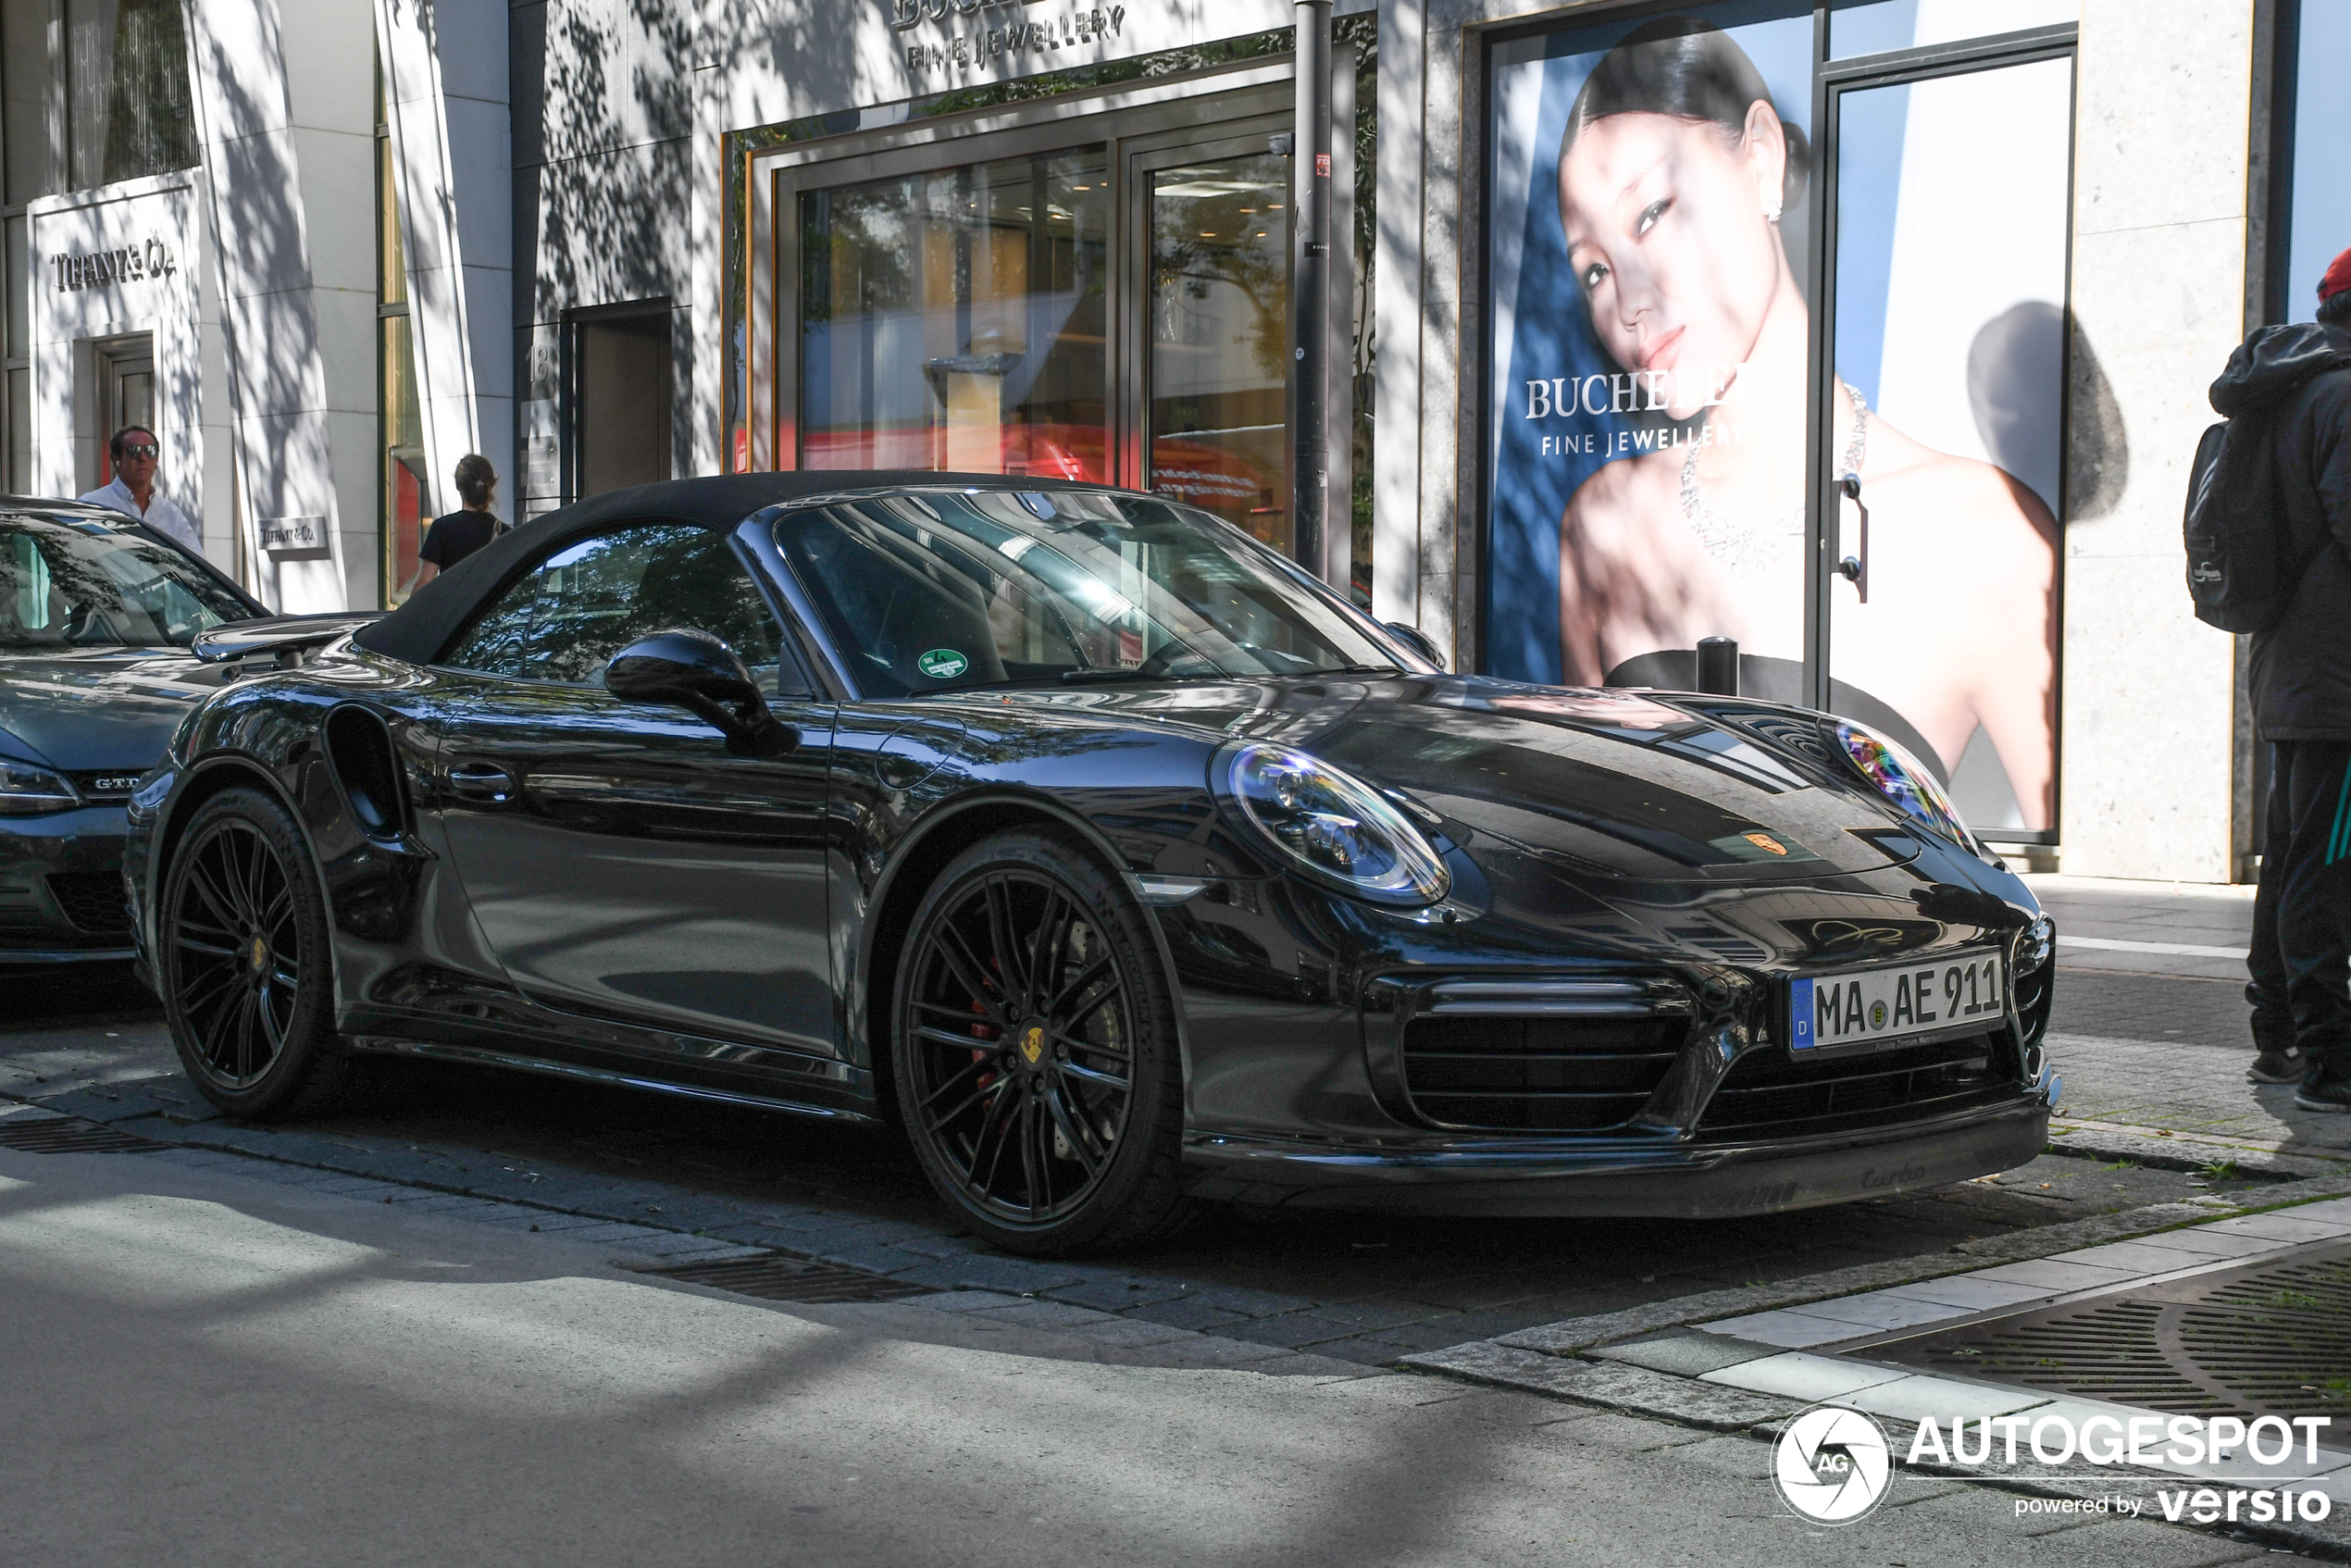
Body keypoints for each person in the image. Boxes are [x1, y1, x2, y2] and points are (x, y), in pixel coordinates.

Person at [1549, 16, 2059, 828]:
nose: (1629, 301)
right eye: (1595, 270)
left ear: (1761, 160)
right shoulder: (1604, 524)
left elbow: (2061, 890)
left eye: (1651, 214)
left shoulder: (1984, 535)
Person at [2235, 248, 2351, 1112]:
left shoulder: (2283, 391)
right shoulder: (2345, 397)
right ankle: (2331, 1062)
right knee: (2324, 865)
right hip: (2338, 679)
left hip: (2288, 669)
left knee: (2291, 859)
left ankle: (2275, 1033)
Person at [79, 424, 201, 554]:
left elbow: (197, 563)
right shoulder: (91, 506)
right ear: (116, 459)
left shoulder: (172, 515)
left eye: (150, 451)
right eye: (134, 451)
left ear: (156, 460)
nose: (143, 458)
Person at [407, 454, 503, 591]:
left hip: (454, 611)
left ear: (459, 487)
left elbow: (423, 584)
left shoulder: (443, 528)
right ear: (491, 485)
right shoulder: (505, 533)